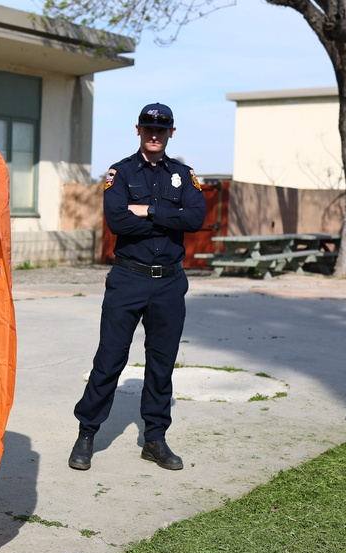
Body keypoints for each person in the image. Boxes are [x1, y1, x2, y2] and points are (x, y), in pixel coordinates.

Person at [69, 103, 206, 472]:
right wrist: (170, 219)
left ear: (171, 133)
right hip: (128, 278)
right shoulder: (121, 172)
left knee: (161, 365)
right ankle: (86, 433)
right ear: (138, 130)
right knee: (110, 359)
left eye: (161, 130)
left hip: (169, 282)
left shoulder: (183, 174)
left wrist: (147, 211)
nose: (155, 135)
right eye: (148, 129)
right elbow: (117, 221)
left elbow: (196, 218)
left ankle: (155, 439)